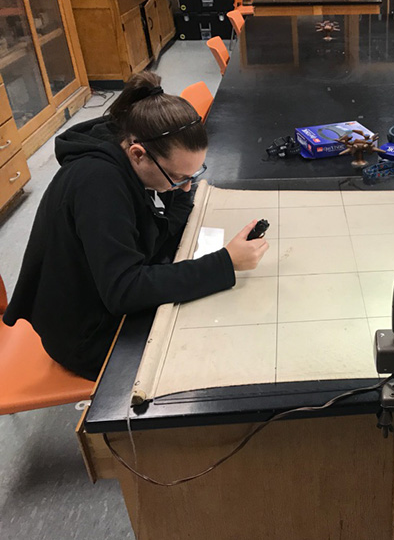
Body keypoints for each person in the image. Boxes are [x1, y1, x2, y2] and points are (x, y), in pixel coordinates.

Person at [3, 72, 269, 380]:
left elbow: (152, 235)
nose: (185, 186)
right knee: (212, 344)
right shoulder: (98, 184)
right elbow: (124, 289)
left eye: (193, 175)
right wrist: (225, 262)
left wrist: (179, 194)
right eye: (178, 177)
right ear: (138, 154)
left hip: (103, 294)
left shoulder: (126, 143)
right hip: (86, 334)